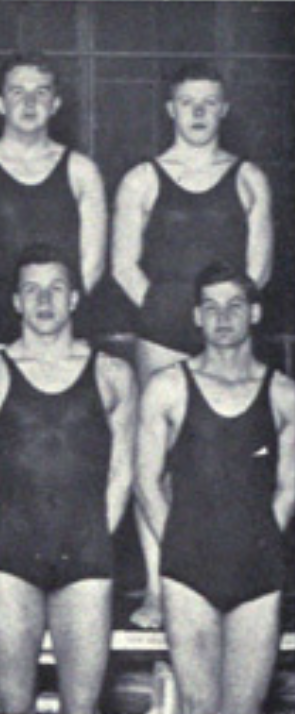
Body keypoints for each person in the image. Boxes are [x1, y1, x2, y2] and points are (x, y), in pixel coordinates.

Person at [112, 63, 273, 628]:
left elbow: (258, 269)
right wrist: (169, 317)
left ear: (225, 109)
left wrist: (219, 323)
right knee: (156, 462)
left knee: (226, 460)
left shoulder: (249, 178)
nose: (199, 113)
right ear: (171, 110)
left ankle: (233, 575)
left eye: (210, 103)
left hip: (226, 329)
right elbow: (122, 265)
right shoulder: (143, 178)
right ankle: (161, 587)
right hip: (163, 333)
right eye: (188, 102)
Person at [0, 244, 136, 714]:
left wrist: (96, 532)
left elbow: (123, 472)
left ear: (75, 298)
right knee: (13, 704)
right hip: (13, 560)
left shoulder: (112, 374)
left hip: (86, 558)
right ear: (16, 301)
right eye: (32, 290)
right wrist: (5, 532)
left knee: (82, 707)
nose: (44, 301)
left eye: (56, 289)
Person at [136, 261, 295, 714]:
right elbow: (146, 482)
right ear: (196, 317)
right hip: (189, 572)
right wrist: (183, 544)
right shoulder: (168, 388)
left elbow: (289, 488)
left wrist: (259, 538)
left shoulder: (284, 394)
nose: (222, 317)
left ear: (255, 314)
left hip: (257, 573)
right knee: (199, 707)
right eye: (211, 307)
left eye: (235, 306)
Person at [0, 52, 107, 361]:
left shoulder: (82, 171)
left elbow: (93, 263)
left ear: (55, 104)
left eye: (41, 92)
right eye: (18, 92)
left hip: (63, 325)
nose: (30, 103)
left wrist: (53, 315)